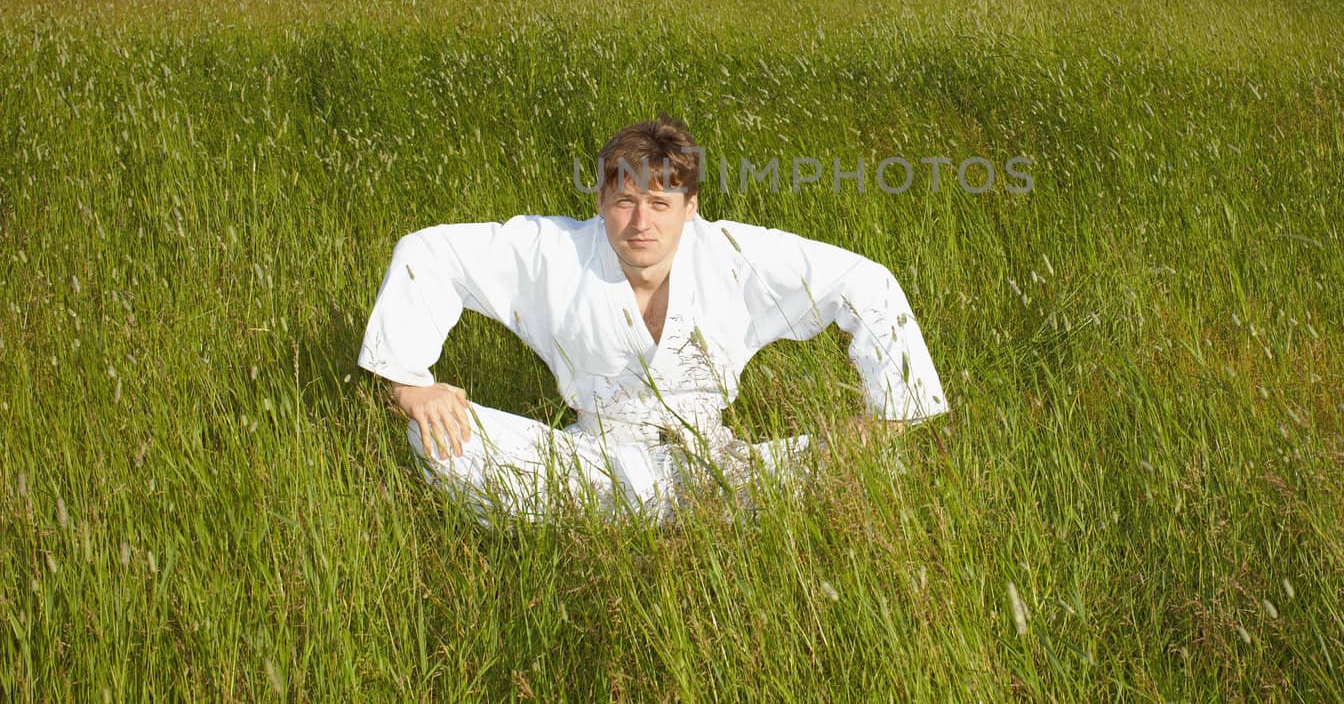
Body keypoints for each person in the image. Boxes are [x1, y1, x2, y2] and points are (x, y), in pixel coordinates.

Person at [358, 116, 947, 522]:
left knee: (876, 459)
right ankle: (673, 523)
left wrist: (888, 419)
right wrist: (411, 384)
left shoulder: (735, 255)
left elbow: (867, 283)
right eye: (625, 202)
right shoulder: (554, 251)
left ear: (691, 208)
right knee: (440, 446)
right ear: (601, 203)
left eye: (661, 203)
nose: (641, 223)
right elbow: (429, 252)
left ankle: (632, 522)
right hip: (590, 463)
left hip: (719, 463)